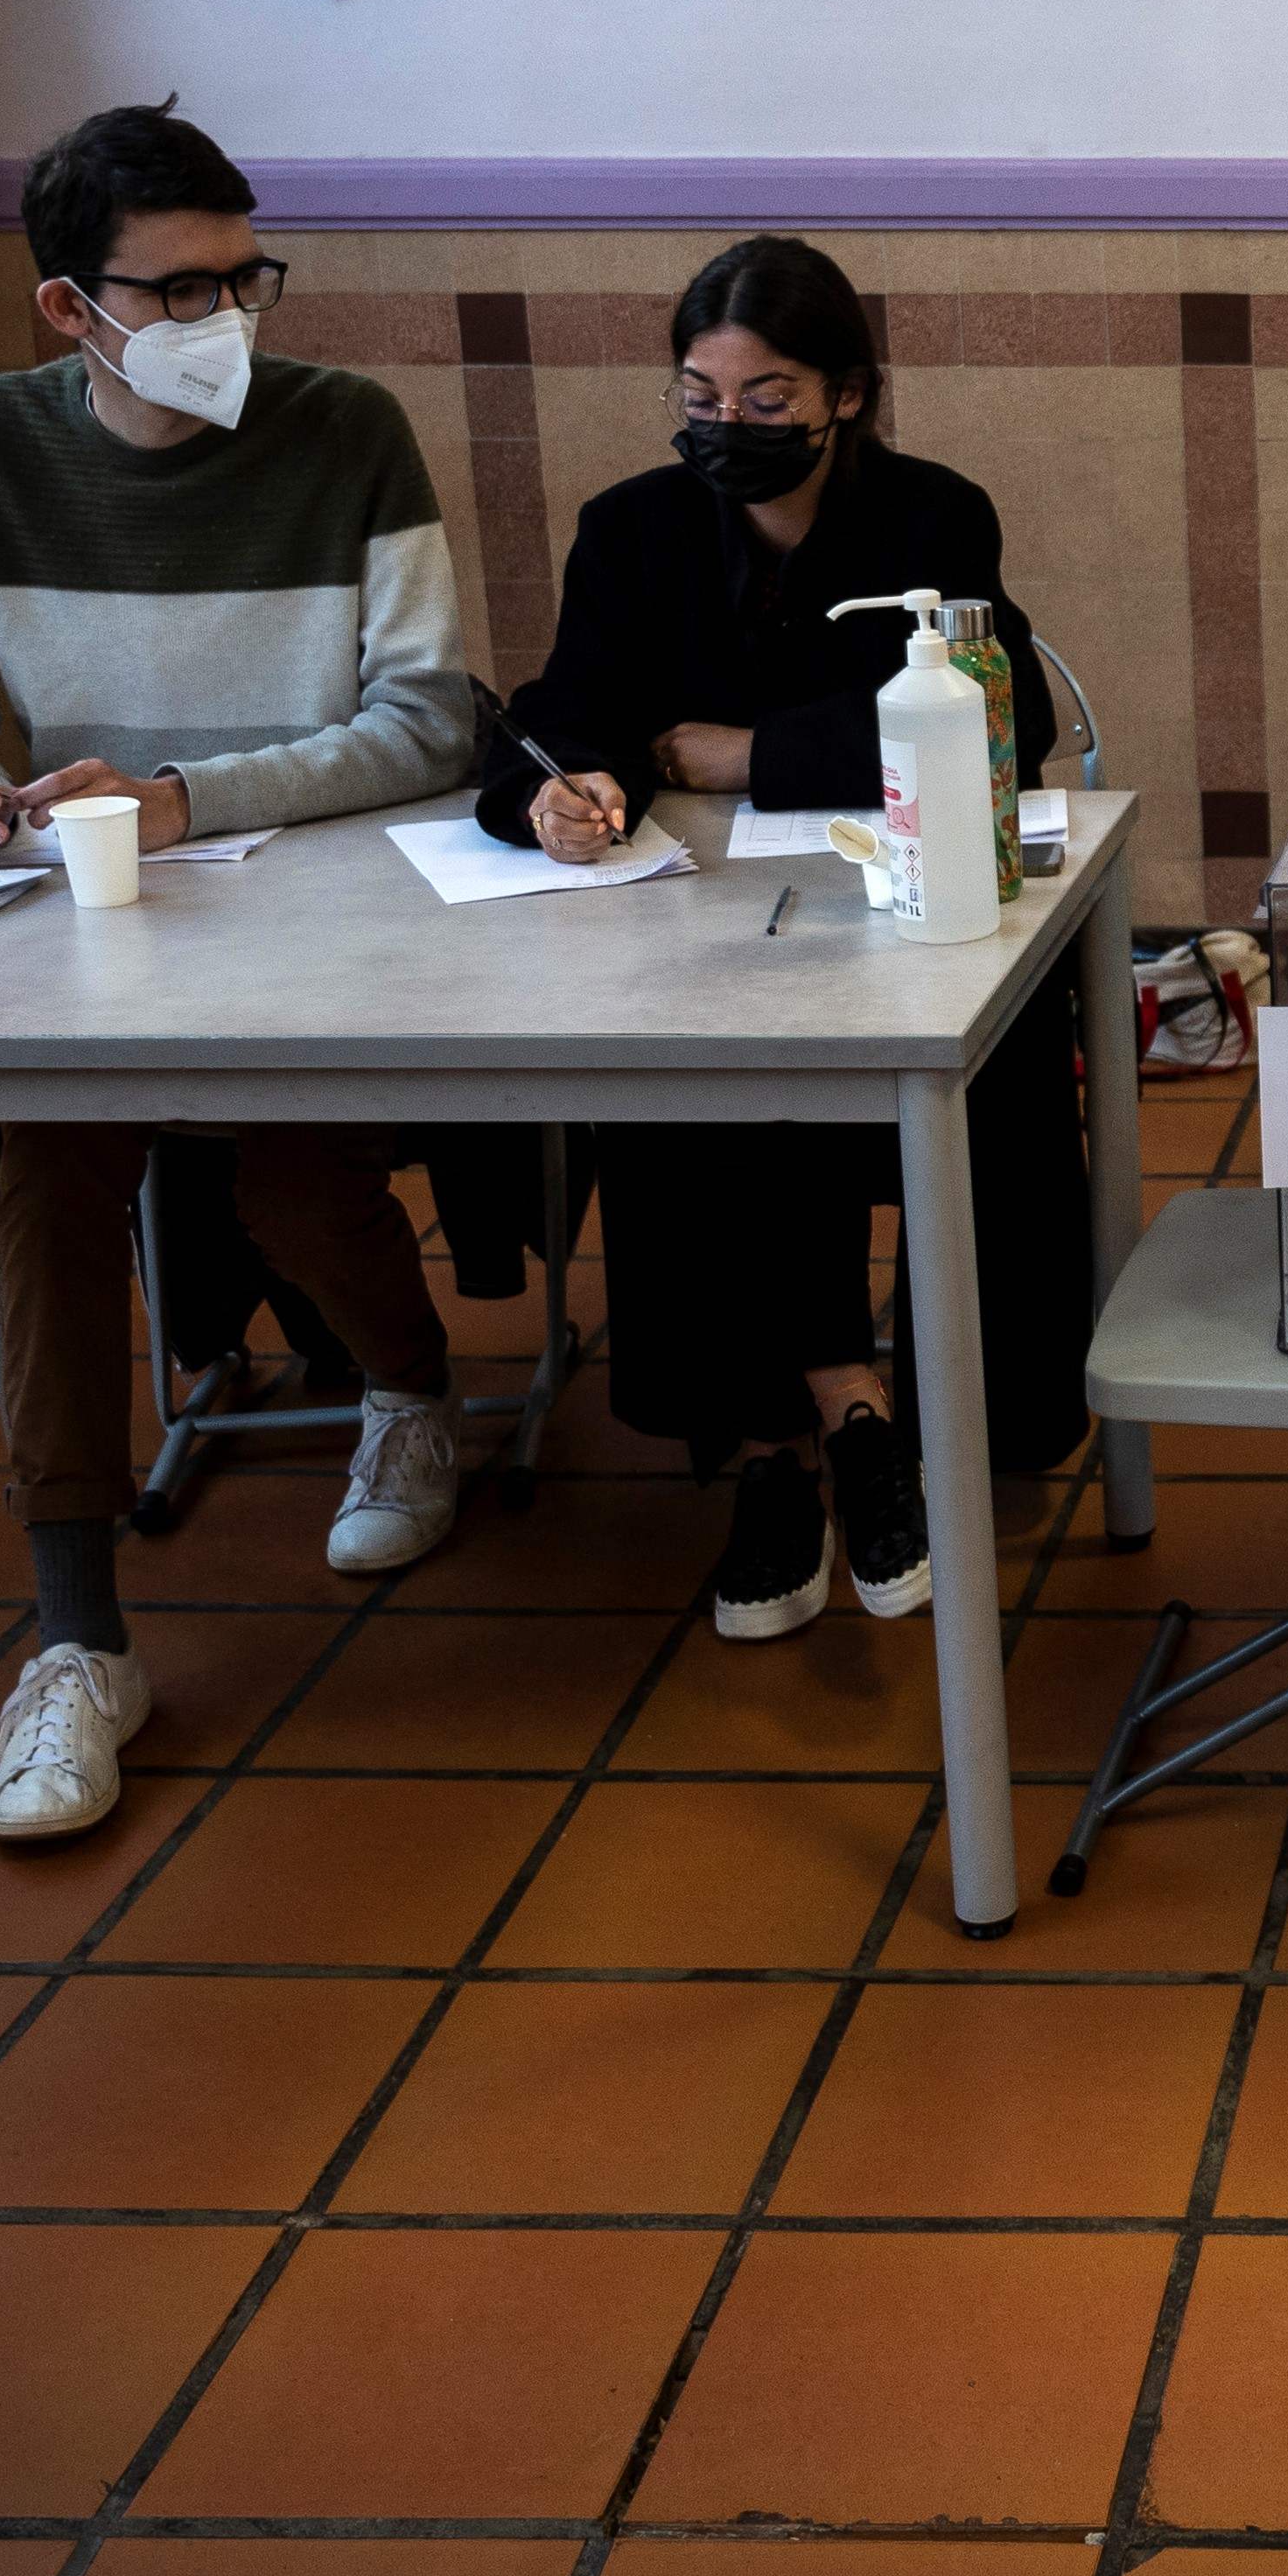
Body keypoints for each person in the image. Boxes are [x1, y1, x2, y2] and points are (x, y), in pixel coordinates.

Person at [0, 101, 472, 1843]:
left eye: (244, 277)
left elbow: (429, 716)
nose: (226, 317)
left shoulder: (346, 430)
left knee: (294, 1162)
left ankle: (411, 1393)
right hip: (96, 917)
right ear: (72, 307)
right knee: (39, 1173)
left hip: (320, 904)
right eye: (181, 289)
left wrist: (194, 791)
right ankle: (76, 1639)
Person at [479, 234, 1093, 1639]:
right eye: (700, 396)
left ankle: (798, 1435)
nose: (728, 428)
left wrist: (738, 752)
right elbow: (568, 709)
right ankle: (826, 1424)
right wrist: (561, 794)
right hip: (695, 925)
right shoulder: (627, 527)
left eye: (767, 401)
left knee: (863, 1057)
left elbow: (1004, 723)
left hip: (898, 914)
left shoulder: (933, 516)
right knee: (692, 1062)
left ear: (848, 398)